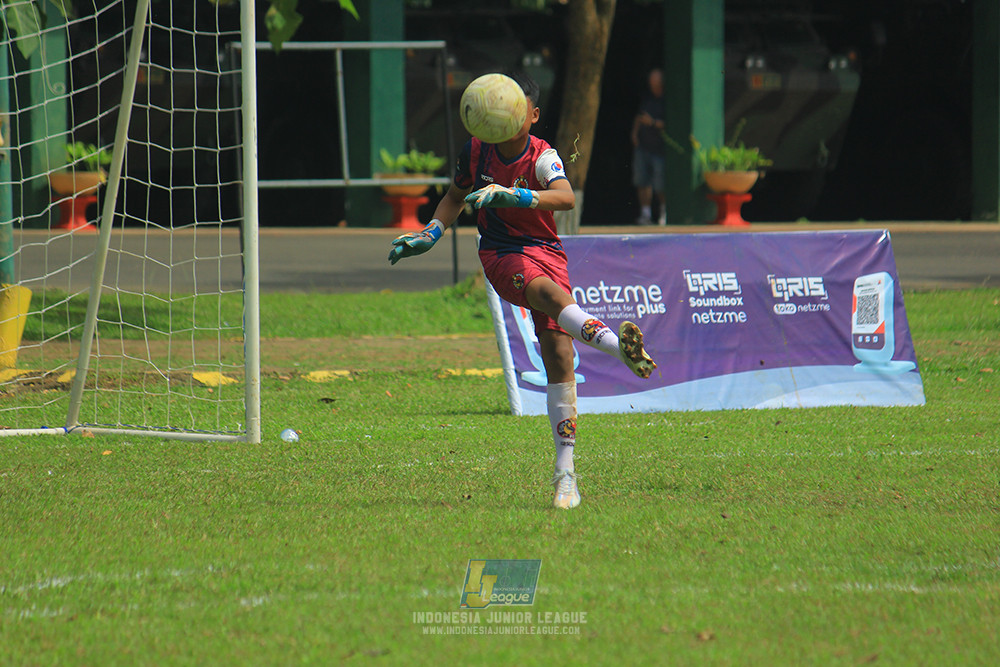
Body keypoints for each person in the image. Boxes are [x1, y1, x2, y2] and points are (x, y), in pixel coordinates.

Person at [388, 71, 657, 510]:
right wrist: (431, 233)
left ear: (531, 115)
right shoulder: (475, 151)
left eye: (514, 106)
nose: (504, 113)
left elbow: (566, 197)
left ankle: (565, 475)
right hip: (501, 252)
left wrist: (520, 197)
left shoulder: (542, 156)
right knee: (546, 295)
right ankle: (614, 347)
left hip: (546, 249)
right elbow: (455, 197)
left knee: (560, 355)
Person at [631, 68, 667, 226]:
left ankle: (664, 213)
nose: (653, 85)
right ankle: (645, 214)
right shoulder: (647, 98)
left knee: (660, 183)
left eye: (656, 82)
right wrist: (634, 133)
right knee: (642, 180)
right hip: (642, 147)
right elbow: (639, 117)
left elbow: (670, 124)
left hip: (659, 149)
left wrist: (652, 122)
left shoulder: (667, 100)